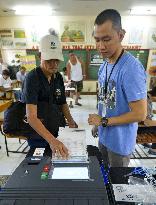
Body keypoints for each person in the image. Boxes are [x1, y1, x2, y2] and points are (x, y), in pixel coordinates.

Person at [88, 9, 147, 167]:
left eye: (106, 39)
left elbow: (140, 114)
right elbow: (104, 98)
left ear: (121, 35)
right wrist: (98, 123)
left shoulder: (131, 68)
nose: (100, 46)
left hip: (120, 144)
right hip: (104, 135)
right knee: (105, 180)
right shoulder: (104, 65)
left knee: (117, 185)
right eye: (97, 40)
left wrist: (104, 121)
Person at [20, 30, 77, 158]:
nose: (54, 64)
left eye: (57, 60)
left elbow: (62, 102)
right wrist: (52, 140)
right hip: (39, 136)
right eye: (49, 60)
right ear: (40, 56)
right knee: (40, 169)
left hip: (58, 131)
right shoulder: (32, 78)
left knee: (58, 166)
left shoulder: (57, 77)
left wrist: (71, 121)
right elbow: (31, 117)